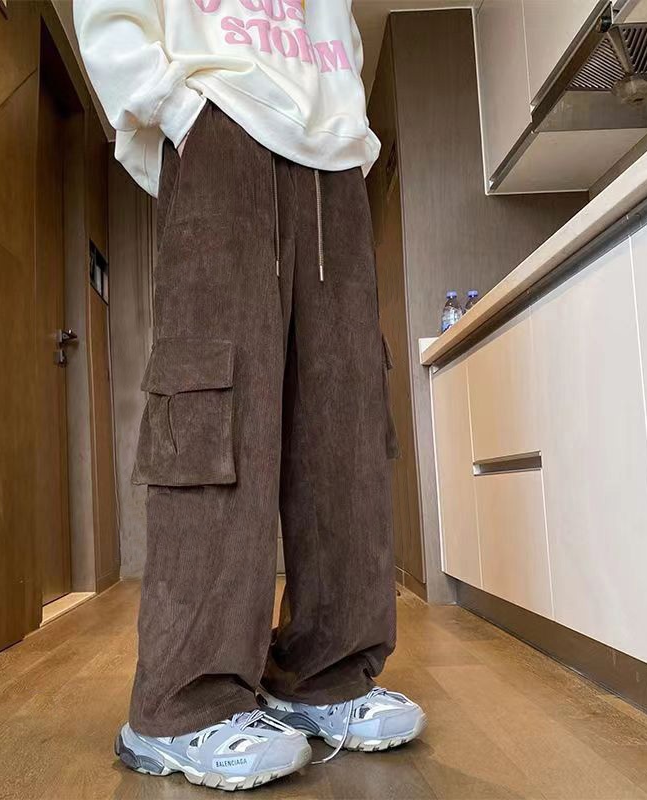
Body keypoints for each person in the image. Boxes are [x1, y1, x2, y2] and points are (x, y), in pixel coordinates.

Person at [74, 0, 426, 791]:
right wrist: (177, 107)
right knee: (214, 405)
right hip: (220, 118)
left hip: (331, 156)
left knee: (344, 414)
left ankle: (324, 674)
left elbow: (334, 30)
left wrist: (347, 128)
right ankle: (182, 704)